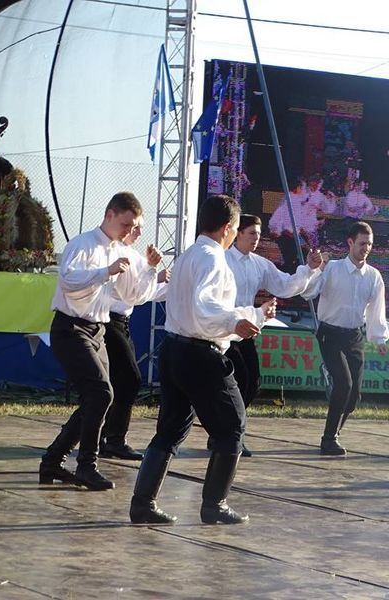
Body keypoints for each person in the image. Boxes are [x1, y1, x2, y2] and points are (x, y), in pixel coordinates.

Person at [129, 194, 277, 525]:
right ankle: (214, 505)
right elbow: (207, 308)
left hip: (176, 350)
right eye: (237, 228)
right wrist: (241, 319)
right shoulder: (213, 260)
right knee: (233, 425)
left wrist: (252, 314)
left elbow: (194, 304)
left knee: (170, 429)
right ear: (228, 228)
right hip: (201, 353)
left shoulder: (188, 257)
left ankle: (143, 503)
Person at [39, 192, 162, 491]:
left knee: (98, 396)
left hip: (98, 328)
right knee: (101, 393)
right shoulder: (83, 244)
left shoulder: (122, 251)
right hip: (71, 328)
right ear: (109, 215)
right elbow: (68, 282)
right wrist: (104, 272)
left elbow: (134, 295)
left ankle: (53, 461)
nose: (129, 231)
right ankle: (86, 465)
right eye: (125, 223)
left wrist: (150, 269)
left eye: (133, 225)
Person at [224, 214, 323, 456]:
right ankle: (227, 436)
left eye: (258, 234)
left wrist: (309, 269)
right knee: (238, 382)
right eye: (251, 234)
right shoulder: (222, 260)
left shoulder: (259, 263)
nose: (256, 239)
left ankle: (228, 433)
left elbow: (285, 285)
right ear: (237, 234)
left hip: (246, 330)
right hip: (222, 330)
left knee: (253, 382)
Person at [302, 221, 389, 456]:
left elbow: (375, 310)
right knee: (344, 384)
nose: (366, 248)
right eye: (362, 243)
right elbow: (308, 293)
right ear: (350, 242)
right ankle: (328, 439)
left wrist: (379, 339)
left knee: (353, 397)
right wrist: (315, 269)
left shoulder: (373, 276)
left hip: (354, 336)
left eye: (370, 244)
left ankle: (335, 434)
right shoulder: (331, 268)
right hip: (329, 333)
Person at [100, 217, 170, 461]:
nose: (138, 232)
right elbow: (129, 291)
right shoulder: (113, 252)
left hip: (121, 322)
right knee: (127, 379)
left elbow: (144, 294)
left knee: (114, 383)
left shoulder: (135, 256)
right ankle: (112, 438)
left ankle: (106, 438)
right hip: (108, 320)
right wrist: (152, 273)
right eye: (133, 226)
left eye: (140, 227)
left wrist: (165, 280)